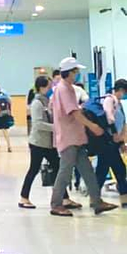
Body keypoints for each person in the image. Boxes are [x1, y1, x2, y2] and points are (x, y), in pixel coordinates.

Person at [50, 57, 117, 217]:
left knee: (87, 170)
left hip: (76, 137)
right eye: (76, 71)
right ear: (69, 72)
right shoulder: (64, 89)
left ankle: (96, 201)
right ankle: (56, 204)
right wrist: (92, 126)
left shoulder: (66, 88)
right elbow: (74, 113)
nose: (77, 74)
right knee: (65, 171)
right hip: (69, 138)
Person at [18, 75, 80, 210]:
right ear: (41, 88)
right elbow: (38, 124)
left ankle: (64, 198)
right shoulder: (37, 103)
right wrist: (56, 127)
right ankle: (24, 197)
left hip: (49, 143)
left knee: (58, 168)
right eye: (49, 86)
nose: (51, 89)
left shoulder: (47, 101)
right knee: (34, 169)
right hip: (38, 143)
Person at [96, 78, 127, 207]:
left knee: (110, 169)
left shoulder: (119, 104)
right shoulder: (109, 100)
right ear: (121, 90)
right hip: (107, 141)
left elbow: (122, 123)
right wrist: (114, 134)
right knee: (113, 169)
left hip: (114, 142)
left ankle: (95, 198)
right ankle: (95, 198)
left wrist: (121, 142)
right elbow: (109, 118)